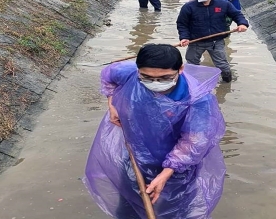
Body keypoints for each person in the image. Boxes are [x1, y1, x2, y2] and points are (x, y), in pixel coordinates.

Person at [84, 44, 227, 219]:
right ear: (138, 70)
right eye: (147, 77)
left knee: (173, 208)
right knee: (128, 206)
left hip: (176, 166)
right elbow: (108, 74)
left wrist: (166, 173)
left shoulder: (196, 98)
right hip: (134, 154)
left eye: (165, 77)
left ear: (180, 69)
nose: (155, 83)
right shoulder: (129, 73)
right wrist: (111, 103)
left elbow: (194, 141)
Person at [177, 0, 249, 82]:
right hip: (195, 42)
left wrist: (242, 24)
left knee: (222, 65)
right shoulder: (189, 7)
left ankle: (226, 84)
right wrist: (184, 37)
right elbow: (182, 24)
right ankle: (192, 85)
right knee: (191, 65)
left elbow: (237, 15)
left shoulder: (224, 4)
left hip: (216, 42)